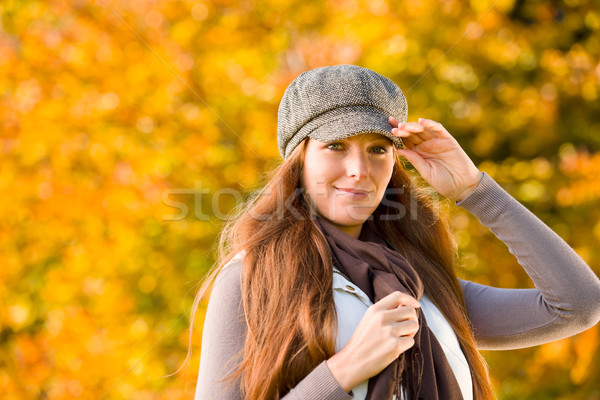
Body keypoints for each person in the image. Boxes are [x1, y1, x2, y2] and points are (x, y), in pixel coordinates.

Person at [191, 65, 600, 400]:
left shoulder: (422, 282)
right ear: (299, 161)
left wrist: (475, 189)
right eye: (336, 146)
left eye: (377, 148)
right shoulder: (250, 277)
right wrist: (346, 368)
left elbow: (578, 304)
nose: (359, 170)